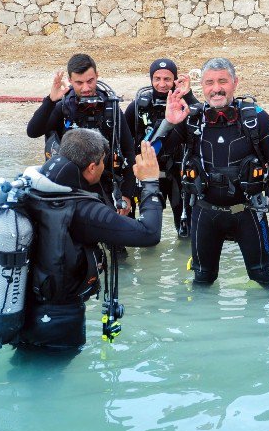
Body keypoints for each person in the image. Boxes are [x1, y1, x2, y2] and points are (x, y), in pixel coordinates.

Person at [18, 130, 164, 348]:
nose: (104, 167)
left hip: (22, 306)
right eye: (103, 162)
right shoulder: (82, 210)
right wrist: (150, 182)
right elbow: (149, 233)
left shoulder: (31, 186)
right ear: (92, 167)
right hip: (59, 317)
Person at [157, 57, 269, 288]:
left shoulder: (256, 118)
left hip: (247, 212)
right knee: (202, 282)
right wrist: (168, 123)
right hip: (204, 214)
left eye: (223, 81)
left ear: (235, 83)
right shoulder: (192, 120)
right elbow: (149, 155)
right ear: (202, 86)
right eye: (209, 82)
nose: (216, 88)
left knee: (262, 281)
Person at [26, 53, 136, 215]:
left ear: (97, 76)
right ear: (70, 81)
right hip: (68, 187)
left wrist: (127, 194)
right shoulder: (62, 108)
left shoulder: (111, 109)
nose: (86, 88)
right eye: (79, 82)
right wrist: (50, 100)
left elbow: (128, 151)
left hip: (104, 182)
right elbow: (33, 132)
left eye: (90, 81)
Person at [123, 58, 198, 237]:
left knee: (184, 226)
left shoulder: (183, 105)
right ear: (151, 79)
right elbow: (125, 142)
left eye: (167, 79)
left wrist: (188, 94)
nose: (162, 84)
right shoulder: (137, 107)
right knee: (142, 225)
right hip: (146, 173)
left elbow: (200, 117)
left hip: (175, 171)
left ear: (175, 80)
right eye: (157, 78)